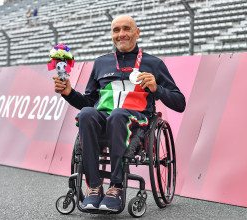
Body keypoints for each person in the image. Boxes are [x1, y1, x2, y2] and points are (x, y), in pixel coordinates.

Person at [52, 15, 186, 212]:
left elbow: (180, 103)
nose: (121, 34)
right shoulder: (101, 63)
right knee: (87, 114)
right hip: (104, 119)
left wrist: (157, 88)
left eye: (126, 29)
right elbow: (88, 102)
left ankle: (116, 187)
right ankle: (94, 187)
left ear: (137, 33)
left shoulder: (153, 64)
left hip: (136, 122)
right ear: (112, 34)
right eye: (116, 30)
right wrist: (69, 93)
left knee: (118, 115)